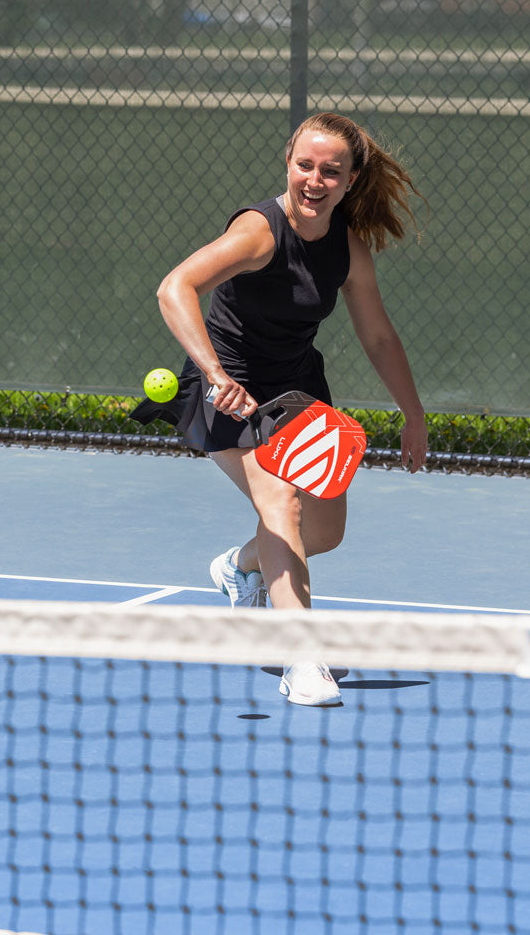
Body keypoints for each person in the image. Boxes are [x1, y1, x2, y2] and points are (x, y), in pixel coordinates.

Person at [130, 112, 428, 706]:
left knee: (325, 530)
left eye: (330, 171)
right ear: (288, 164)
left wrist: (412, 414)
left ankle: (243, 566)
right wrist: (215, 376)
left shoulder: (348, 247)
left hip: (297, 391)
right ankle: (302, 658)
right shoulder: (259, 231)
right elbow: (174, 287)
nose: (314, 181)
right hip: (230, 388)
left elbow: (378, 336)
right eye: (304, 166)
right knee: (280, 503)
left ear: (350, 180)